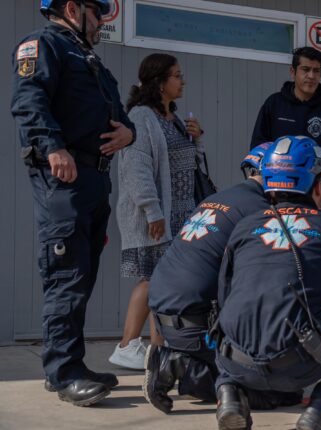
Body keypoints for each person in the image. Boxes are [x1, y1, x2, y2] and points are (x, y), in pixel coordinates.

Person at [214, 136, 321, 430]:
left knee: (227, 322)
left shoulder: (244, 226)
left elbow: (224, 296)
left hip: (235, 361)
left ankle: (229, 395)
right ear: (319, 184)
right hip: (297, 363)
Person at [11, 0, 135, 406]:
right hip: (64, 177)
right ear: (71, 8)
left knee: (81, 276)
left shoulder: (88, 58)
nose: (101, 22)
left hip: (95, 179)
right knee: (65, 275)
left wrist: (128, 134)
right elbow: (29, 100)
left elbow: (116, 111)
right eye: (97, 14)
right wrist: (53, 148)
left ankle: (70, 364)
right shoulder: (42, 45)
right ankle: (64, 373)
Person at [143, 145, 303, 413]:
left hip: (168, 313)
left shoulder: (221, 197)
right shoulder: (261, 210)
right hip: (195, 323)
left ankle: (181, 359)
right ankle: (180, 366)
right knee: (278, 393)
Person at [109, 53, 203, 370]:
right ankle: (128, 345)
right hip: (157, 216)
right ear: (160, 82)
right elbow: (137, 170)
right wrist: (152, 211)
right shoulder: (141, 117)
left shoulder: (172, 118)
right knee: (154, 280)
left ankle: (156, 350)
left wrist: (196, 140)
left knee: (163, 282)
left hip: (180, 215)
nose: (183, 80)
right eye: (177, 75)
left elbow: (186, 162)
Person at [250, 47, 321, 174]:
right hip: (277, 184)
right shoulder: (274, 104)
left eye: (316, 71)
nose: (311, 76)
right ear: (292, 71)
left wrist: (319, 161)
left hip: (316, 186)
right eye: (305, 69)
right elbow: (258, 147)